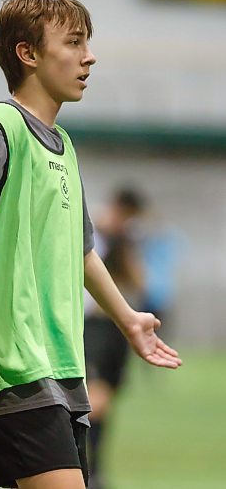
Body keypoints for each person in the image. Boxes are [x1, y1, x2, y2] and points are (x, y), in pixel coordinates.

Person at [0, 0, 182, 488]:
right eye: (75, 42)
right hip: (14, 365)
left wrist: (127, 320)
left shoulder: (64, 148)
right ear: (28, 53)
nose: (90, 56)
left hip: (59, 365)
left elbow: (81, 251)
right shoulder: (1, 123)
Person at [84, 188, 146, 489]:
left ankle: (95, 469)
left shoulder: (129, 239)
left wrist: (125, 245)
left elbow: (138, 281)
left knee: (106, 401)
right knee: (94, 400)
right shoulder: (93, 230)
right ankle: (90, 470)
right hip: (94, 325)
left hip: (119, 329)